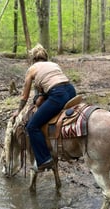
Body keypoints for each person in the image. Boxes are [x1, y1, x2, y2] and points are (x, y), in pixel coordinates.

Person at [13, 44, 77, 172]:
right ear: (45, 57)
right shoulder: (54, 64)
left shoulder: (32, 69)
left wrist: (18, 111)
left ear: (32, 59)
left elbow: (24, 96)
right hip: (71, 91)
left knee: (32, 126)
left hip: (57, 94)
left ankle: (44, 159)